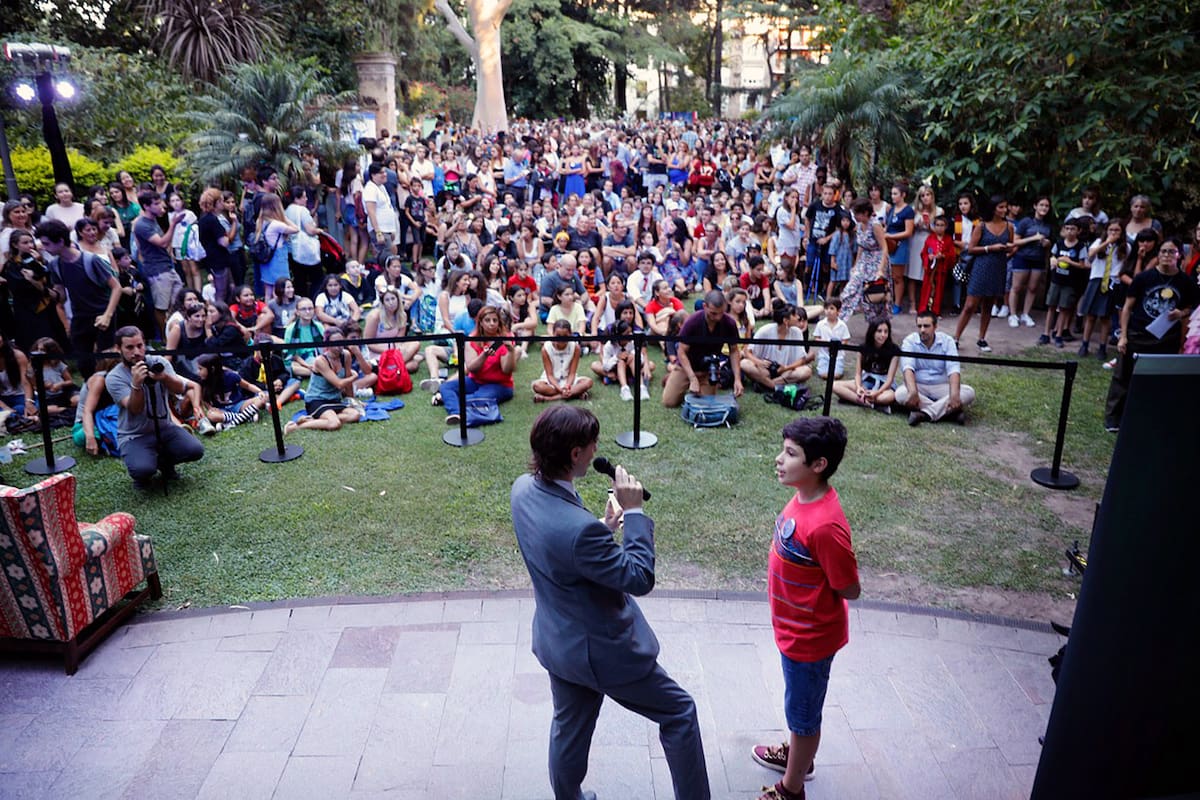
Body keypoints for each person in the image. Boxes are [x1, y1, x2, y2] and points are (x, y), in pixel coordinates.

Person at [510, 405, 710, 800]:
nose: (596, 449)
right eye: (592, 444)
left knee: (569, 728)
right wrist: (634, 513)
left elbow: (561, 553)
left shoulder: (523, 490)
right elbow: (638, 578)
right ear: (575, 454)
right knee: (679, 712)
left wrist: (603, 529)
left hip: (559, 643)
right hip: (602, 653)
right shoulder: (579, 532)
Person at [751, 416, 859, 800]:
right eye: (783, 449)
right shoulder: (804, 495)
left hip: (810, 641)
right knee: (798, 706)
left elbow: (849, 587)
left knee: (804, 716)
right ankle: (800, 757)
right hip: (793, 631)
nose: (779, 459)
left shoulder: (826, 526)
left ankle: (791, 787)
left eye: (791, 454)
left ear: (819, 465)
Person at [1104, 238, 1198, 433]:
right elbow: (1128, 307)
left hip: (1165, 338)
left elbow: (1190, 307)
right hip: (1138, 334)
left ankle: (1148, 416)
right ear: (1158, 254)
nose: (1166, 255)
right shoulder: (1144, 278)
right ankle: (1113, 419)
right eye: (1163, 251)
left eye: (1171, 252)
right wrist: (1123, 335)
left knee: (1158, 380)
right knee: (1123, 377)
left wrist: (1180, 314)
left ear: (1179, 255)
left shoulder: (1185, 282)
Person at [105, 326, 205, 489]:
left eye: (140, 345)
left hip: (165, 427)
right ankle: (142, 474)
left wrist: (164, 377)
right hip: (135, 434)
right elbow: (135, 409)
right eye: (129, 347)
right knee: (142, 469)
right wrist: (136, 385)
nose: (136, 352)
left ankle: (166, 464)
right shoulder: (114, 377)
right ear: (119, 349)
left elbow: (180, 389)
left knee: (195, 450)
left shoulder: (159, 362)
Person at [36, 219, 122, 379]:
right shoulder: (55, 265)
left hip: (101, 313)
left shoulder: (90, 260)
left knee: (107, 360)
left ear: (61, 241)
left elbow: (116, 287)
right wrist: (39, 286)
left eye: (47, 244)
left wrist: (108, 315)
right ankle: (93, 393)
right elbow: (60, 296)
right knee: (84, 363)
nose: (44, 248)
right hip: (80, 316)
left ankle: (112, 393)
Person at [435, 305, 516, 426]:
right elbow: (472, 367)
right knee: (446, 387)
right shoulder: (472, 338)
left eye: (495, 320)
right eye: (487, 320)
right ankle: (456, 413)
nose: (492, 324)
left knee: (476, 398)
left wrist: (510, 350)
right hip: (476, 380)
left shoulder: (506, 337)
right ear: (481, 323)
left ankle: (450, 401)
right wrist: (484, 355)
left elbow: (506, 370)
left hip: (500, 384)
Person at [662, 290, 745, 407]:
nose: (718, 317)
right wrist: (692, 378)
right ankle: (674, 379)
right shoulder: (692, 322)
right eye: (713, 313)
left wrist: (737, 379)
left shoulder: (729, 323)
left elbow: (734, 350)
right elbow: (681, 351)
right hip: (686, 367)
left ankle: (699, 384)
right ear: (704, 306)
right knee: (669, 402)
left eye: (721, 313)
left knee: (706, 404)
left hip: (709, 369)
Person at [897, 311, 976, 426]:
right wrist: (913, 391)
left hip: (941, 386)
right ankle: (950, 412)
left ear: (935, 327)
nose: (922, 330)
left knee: (968, 392)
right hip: (919, 386)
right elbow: (907, 368)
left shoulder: (947, 341)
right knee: (900, 393)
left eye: (926, 326)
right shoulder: (909, 341)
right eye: (919, 326)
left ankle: (925, 414)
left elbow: (953, 369)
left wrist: (954, 395)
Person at [283, 328, 363, 433]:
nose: (339, 345)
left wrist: (351, 400)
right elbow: (339, 384)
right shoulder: (321, 361)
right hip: (317, 400)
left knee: (355, 415)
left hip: (334, 399)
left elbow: (347, 382)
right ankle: (294, 427)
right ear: (327, 345)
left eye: (341, 341)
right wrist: (354, 377)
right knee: (334, 424)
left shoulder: (346, 355)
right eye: (335, 342)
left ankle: (317, 420)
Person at [740, 300, 813, 392]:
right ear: (785, 320)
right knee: (744, 364)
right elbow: (748, 352)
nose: (798, 317)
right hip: (765, 370)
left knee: (806, 371)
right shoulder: (765, 330)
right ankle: (775, 387)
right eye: (794, 315)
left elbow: (801, 360)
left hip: (785, 372)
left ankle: (765, 384)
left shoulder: (797, 332)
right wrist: (759, 362)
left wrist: (786, 368)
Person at [831, 318, 900, 412]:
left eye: (886, 332)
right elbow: (858, 374)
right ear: (872, 332)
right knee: (834, 385)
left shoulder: (894, 350)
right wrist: (859, 387)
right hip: (865, 382)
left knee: (888, 397)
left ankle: (855, 399)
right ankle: (870, 404)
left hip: (883, 386)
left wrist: (876, 393)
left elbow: (889, 380)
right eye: (879, 331)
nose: (883, 335)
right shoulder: (863, 348)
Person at [532, 319, 594, 402]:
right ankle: (574, 394)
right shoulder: (546, 349)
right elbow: (549, 375)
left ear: (570, 334)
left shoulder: (575, 347)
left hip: (569, 380)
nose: (561, 340)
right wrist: (560, 389)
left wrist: (567, 386)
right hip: (551, 382)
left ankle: (549, 398)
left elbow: (572, 373)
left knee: (588, 382)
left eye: (565, 336)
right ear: (553, 334)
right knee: (537, 386)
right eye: (558, 336)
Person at [812, 299, 850, 380]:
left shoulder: (842, 325)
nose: (828, 311)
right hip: (824, 355)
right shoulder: (820, 324)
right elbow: (816, 338)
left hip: (838, 356)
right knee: (822, 374)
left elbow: (845, 340)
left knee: (837, 375)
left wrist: (837, 346)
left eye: (832, 308)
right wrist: (827, 343)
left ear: (838, 311)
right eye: (826, 308)